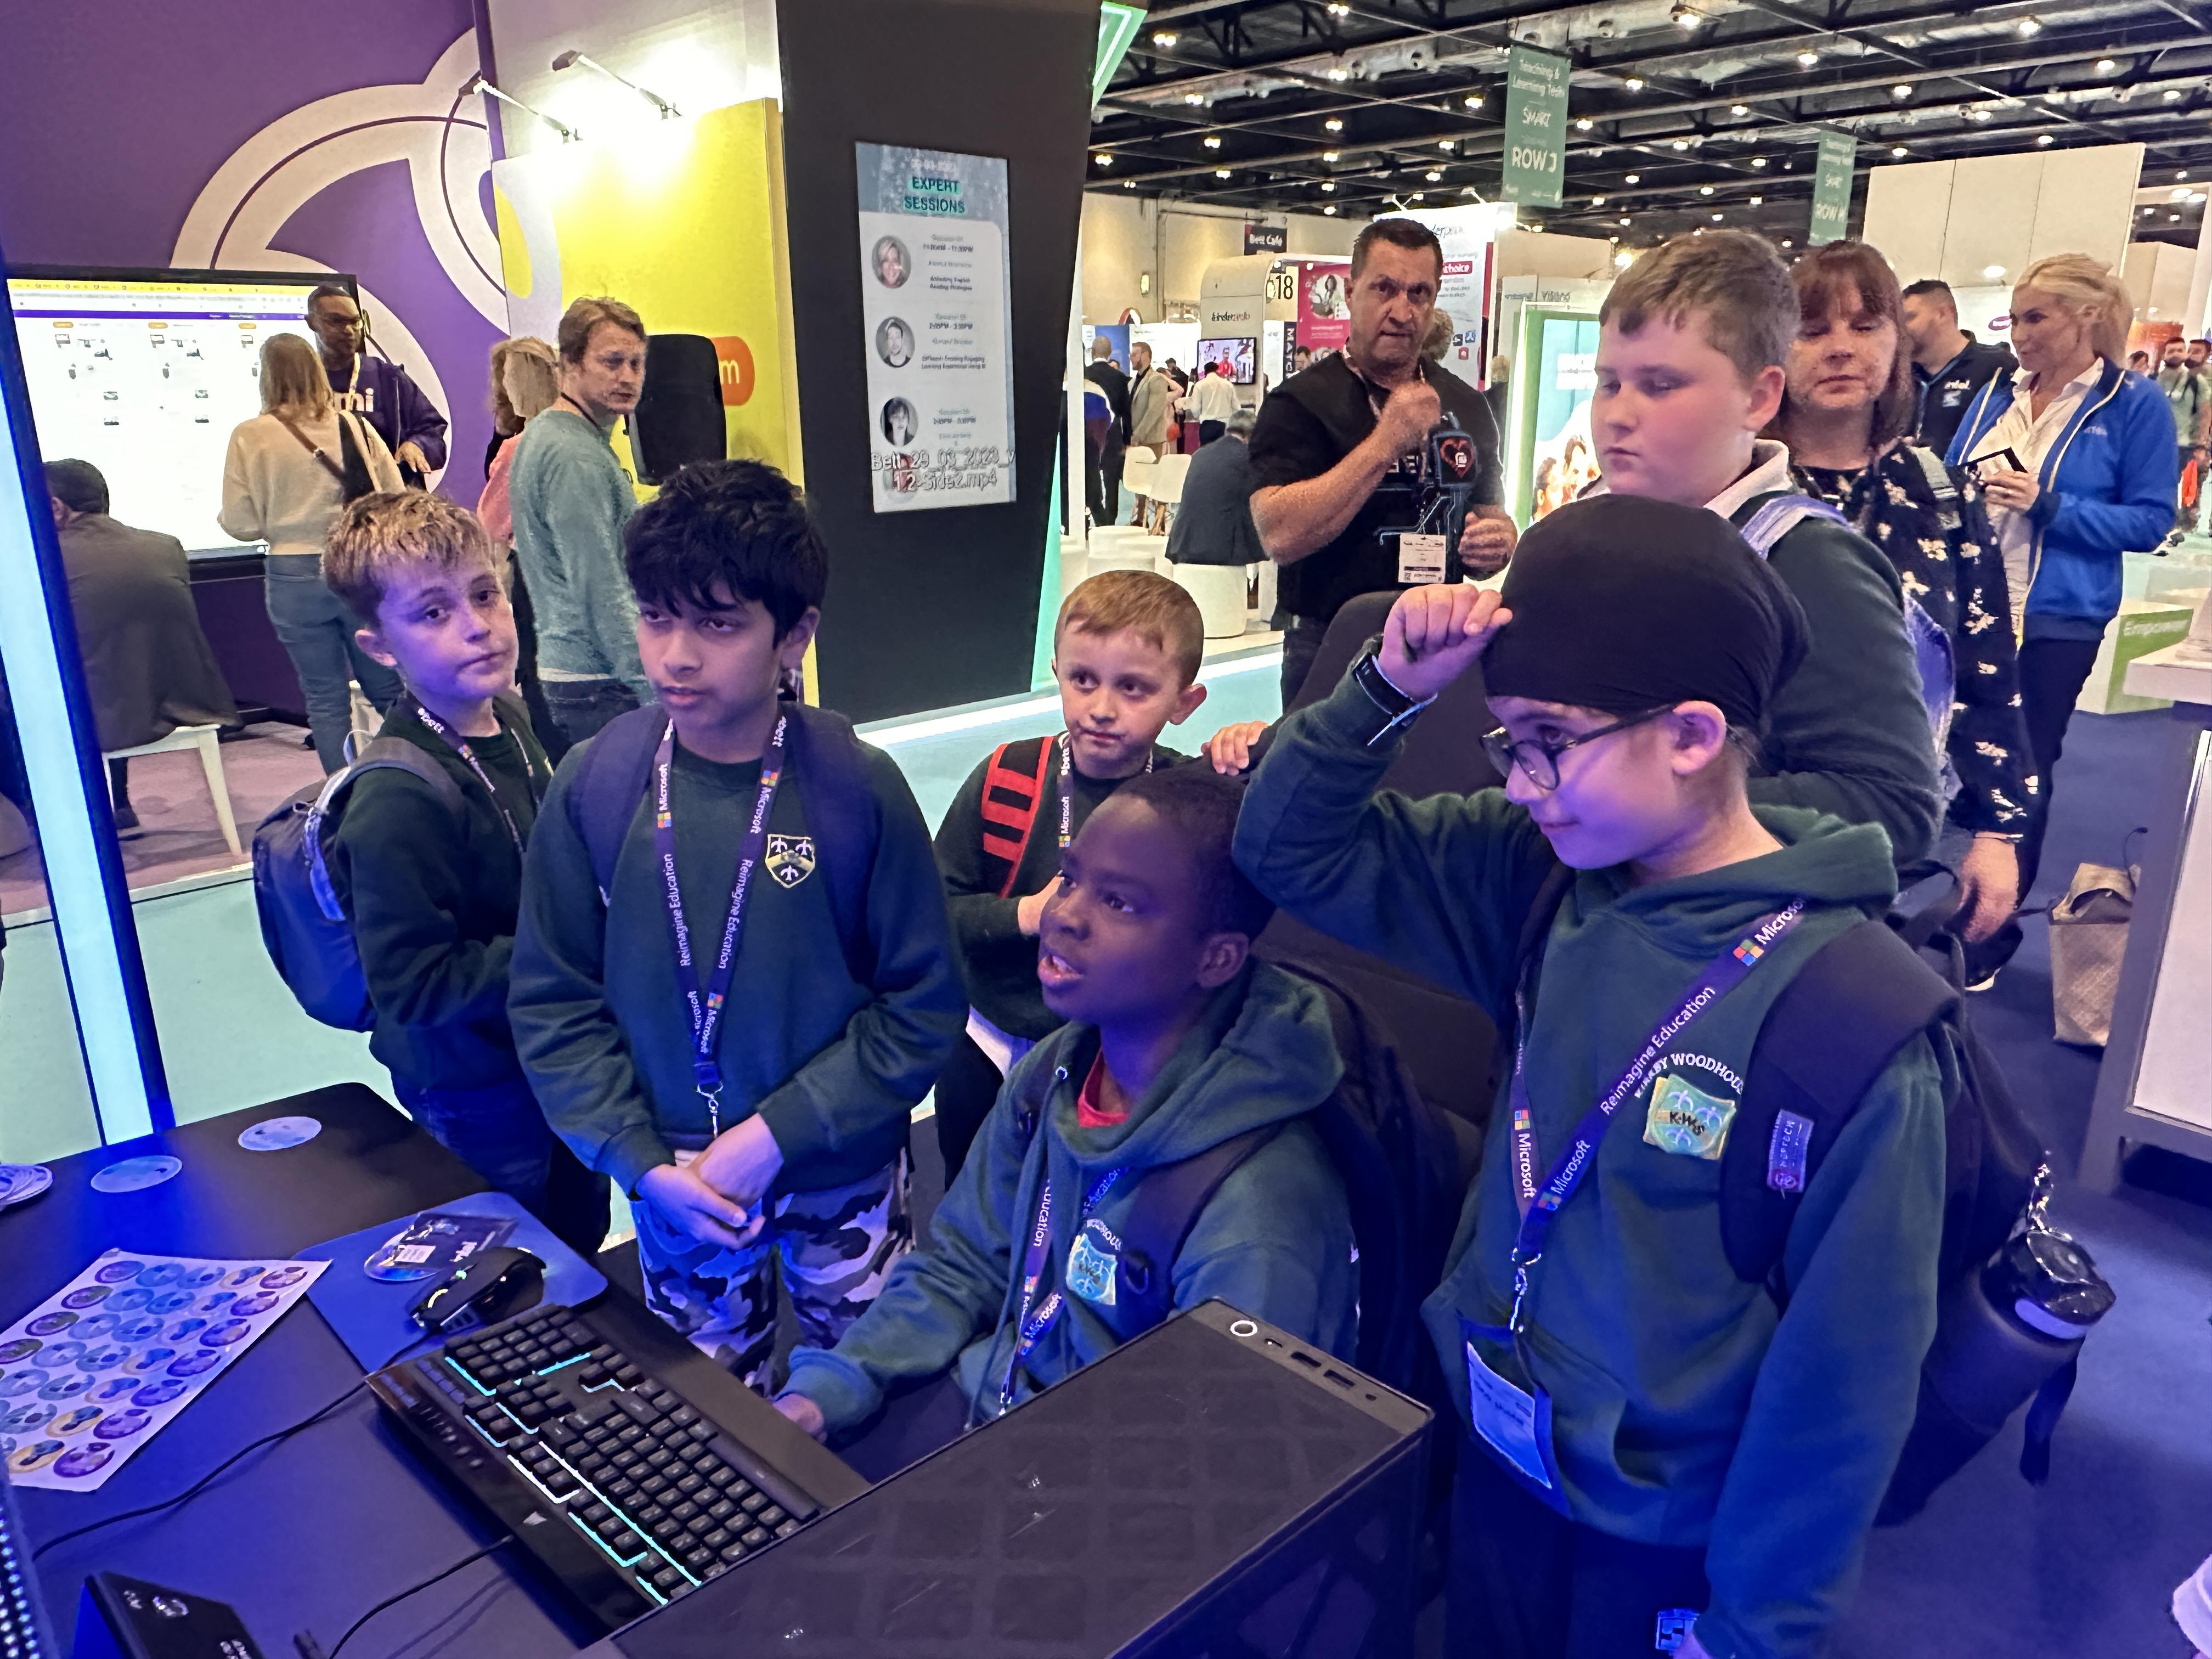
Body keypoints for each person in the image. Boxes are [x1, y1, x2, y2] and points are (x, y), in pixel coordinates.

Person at [1234, 494, 1946, 1659]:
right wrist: (1380, 690)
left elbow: (1844, 1390)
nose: (1522, 782)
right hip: (1499, 1460)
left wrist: (1757, 1633)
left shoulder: (1853, 1023)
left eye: (1549, 740)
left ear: (1693, 734)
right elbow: (1285, 848)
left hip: (1665, 1541)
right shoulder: (1537, 879)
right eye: (1505, 741)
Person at [510, 459, 964, 1390]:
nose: (675, 656)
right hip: (676, 1182)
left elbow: (922, 1006)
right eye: (656, 616)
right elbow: (553, 1003)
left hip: (839, 1169)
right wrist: (639, 1161)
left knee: (861, 1383)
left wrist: (777, 1133)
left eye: (718, 624)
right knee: (713, 1405)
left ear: (795, 634)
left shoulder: (855, 789)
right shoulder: (597, 785)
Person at [774, 765, 1357, 1471]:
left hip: (1113, 1483)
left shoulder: (1258, 1211)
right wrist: (832, 1386)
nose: (1063, 916)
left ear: (1216, 958)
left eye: (1119, 903)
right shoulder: (1054, 1072)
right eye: (1070, 879)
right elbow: (963, 1265)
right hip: (1001, 1392)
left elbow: (1212, 1470)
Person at [1589, 230, 1944, 868]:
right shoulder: (1594, 529)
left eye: (1661, 385)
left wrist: (1655, 800)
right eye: (1609, 383)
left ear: (1758, 398)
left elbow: (1895, 803)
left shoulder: (1809, 564)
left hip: (1727, 915)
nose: (1619, 414)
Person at [320, 491, 606, 1257]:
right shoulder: (396, 800)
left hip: (547, 1049)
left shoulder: (508, 719)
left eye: (484, 594)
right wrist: (569, 946)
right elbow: (413, 987)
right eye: (433, 613)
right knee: (508, 1255)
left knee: (579, 1228)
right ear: (380, 646)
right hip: (473, 1085)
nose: (477, 626)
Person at [1771, 241, 2033, 952]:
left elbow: (1985, 662)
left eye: (1865, 326)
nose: (1841, 348)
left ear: (1897, 342)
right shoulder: (1736, 481)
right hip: (1751, 817)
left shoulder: (1938, 491)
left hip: (1897, 824)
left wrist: (1997, 830)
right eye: (1812, 329)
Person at [930, 571, 1212, 1182]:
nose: (1102, 709)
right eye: (1084, 680)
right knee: (967, 1193)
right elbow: (934, 910)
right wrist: (1025, 915)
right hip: (987, 1040)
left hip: (1115, 1051)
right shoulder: (1007, 777)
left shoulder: (1191, 799)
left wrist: (1248, 754)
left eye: (1134, 688)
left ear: (1184, 703)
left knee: (1088, 1204)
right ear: (1057, 671)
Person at [1948, 253, 2176, 978]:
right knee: (1947, 759)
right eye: (2014, 319)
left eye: (2035, 318)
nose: (2019, 334)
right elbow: (1951, 470)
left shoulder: (2132, 404)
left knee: (2023, 768)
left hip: (2055, 621)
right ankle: (1932, 910)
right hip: (1971, 607)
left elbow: (2150, 520)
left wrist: (2050, 505)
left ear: (2087, 316)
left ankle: (1987, 939)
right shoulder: (1998, 392)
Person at [1249, 216, 1515, 708]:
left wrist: (1496, 542)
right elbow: (1280, 536)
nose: (1402, 311)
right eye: (1385, 289)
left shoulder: (1468, 404)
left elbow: (1489, 514)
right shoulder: (1300, 402)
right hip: (1331, 640)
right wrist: (1387, 441)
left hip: (1436, 636)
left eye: (1419, 293)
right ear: (1351, 294)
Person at [218, 331, 404, 772]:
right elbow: (394, 496)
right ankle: (421, 775)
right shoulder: (356, 427)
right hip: (357, 565)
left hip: (292, 574)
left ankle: (341, 792)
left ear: (266, 376)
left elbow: (241, 524)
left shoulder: (250, 436)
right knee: (388, 688)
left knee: (324, 697)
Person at [45, 460, 238, 833]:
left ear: (56, 507)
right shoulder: (165, 546)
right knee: (113, 662)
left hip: (101, 714)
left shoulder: (48, 558)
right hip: (186, 702)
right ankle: (119, 802)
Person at [509, 296, 653, 747]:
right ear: (569, 363)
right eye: (612, 362)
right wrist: (655, 689)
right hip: (601, 682)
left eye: (636, 363)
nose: (627, 377)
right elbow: (600, 589)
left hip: (581, 677)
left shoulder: (551, 433)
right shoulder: (575, 457)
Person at [477, 337, 563, 756]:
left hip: (531, 569)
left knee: (536, 673)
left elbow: (491, 521)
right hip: (563, 568)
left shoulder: (518, 448)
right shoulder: (575, 436)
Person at [304, 284, 448, 488]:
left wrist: (417, 445)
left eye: (355, 322)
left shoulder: (389, 378)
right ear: (312, 323)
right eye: (337, 322)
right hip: (324, 494)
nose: (349, 331)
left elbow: (432, 430)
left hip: (387, 495)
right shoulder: (302, 383)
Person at [1899, 278, 2017, 460]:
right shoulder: (1901, 376)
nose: (1900, 329)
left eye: (1909, 318)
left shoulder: (1996, 366)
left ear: (1942, 314)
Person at [1166, 405, 1265, 567]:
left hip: (1182, 544)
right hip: (1220, 550)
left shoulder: (1200, 454)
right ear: (1252, 436)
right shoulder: (1248, 457)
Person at [2155, 334, 2210, 541]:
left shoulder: (2197, 381)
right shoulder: (2156, 379)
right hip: (2157, 443)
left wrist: (2201, 445)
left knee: (2176, 484)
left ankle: (2173, 525)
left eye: (2180, 350)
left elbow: (2205, 414)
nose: (2176, 354)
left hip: (2184, 444)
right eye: (2171, 351)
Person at [1127, 341, 1175, 526]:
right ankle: (1141, 519)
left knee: (1153, 480)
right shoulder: (1133, 382)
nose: (1131, 358)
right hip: (1136, 440)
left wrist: (1139, 434)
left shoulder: (1156, 380)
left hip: (1151, 439)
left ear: (1146, 355)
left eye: (1134, 354)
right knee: (1140, 481)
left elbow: (1154, 410)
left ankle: (1159, 522)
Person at [1085, 337, 1131, 525]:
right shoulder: (1119, 378)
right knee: (1112, 482)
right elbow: (1126, 412)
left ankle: (1091, 518)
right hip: (1113, 435)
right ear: (1110, 352)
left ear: (1092, 351)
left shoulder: (1085, 375)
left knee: (1090, 477)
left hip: (1089, 436)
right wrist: (1127, 440)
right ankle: (1110, 521)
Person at [1181, 359, 1240, 445]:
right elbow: (1236, 407)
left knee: (1207, 452)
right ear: (1217, 371)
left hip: (1207, 425)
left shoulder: (1200, 385)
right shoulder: (1228, 385)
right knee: (1223, 451)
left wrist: (1198, 417)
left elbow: (1196, 408)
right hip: (1224, 425)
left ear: (1205, 372)